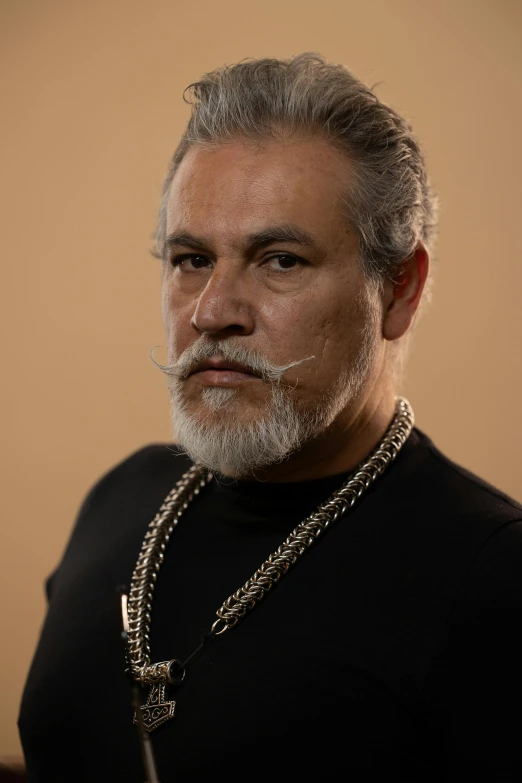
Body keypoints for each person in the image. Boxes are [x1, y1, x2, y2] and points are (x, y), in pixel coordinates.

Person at [19, 54, 522, 782]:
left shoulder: (494, 577)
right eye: (191, 257)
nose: (212, 311)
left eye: (280, 260)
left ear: (400, 290)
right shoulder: (119, 497)